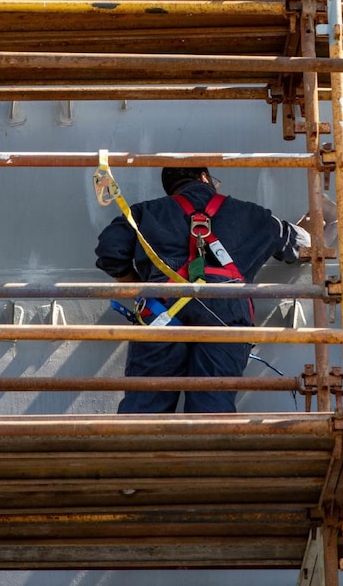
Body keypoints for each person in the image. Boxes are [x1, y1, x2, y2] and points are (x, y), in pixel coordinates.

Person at [95, 166, 311, 414]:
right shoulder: (252, 215)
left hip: (161, 310)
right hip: (226, 310)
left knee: (146, 405)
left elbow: (109, 250)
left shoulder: (144, 212)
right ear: (204, 177)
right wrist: (308, 227)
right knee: (213, 405)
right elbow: (302, 246)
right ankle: (210, 449)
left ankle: (140, 450)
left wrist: (136, 285)